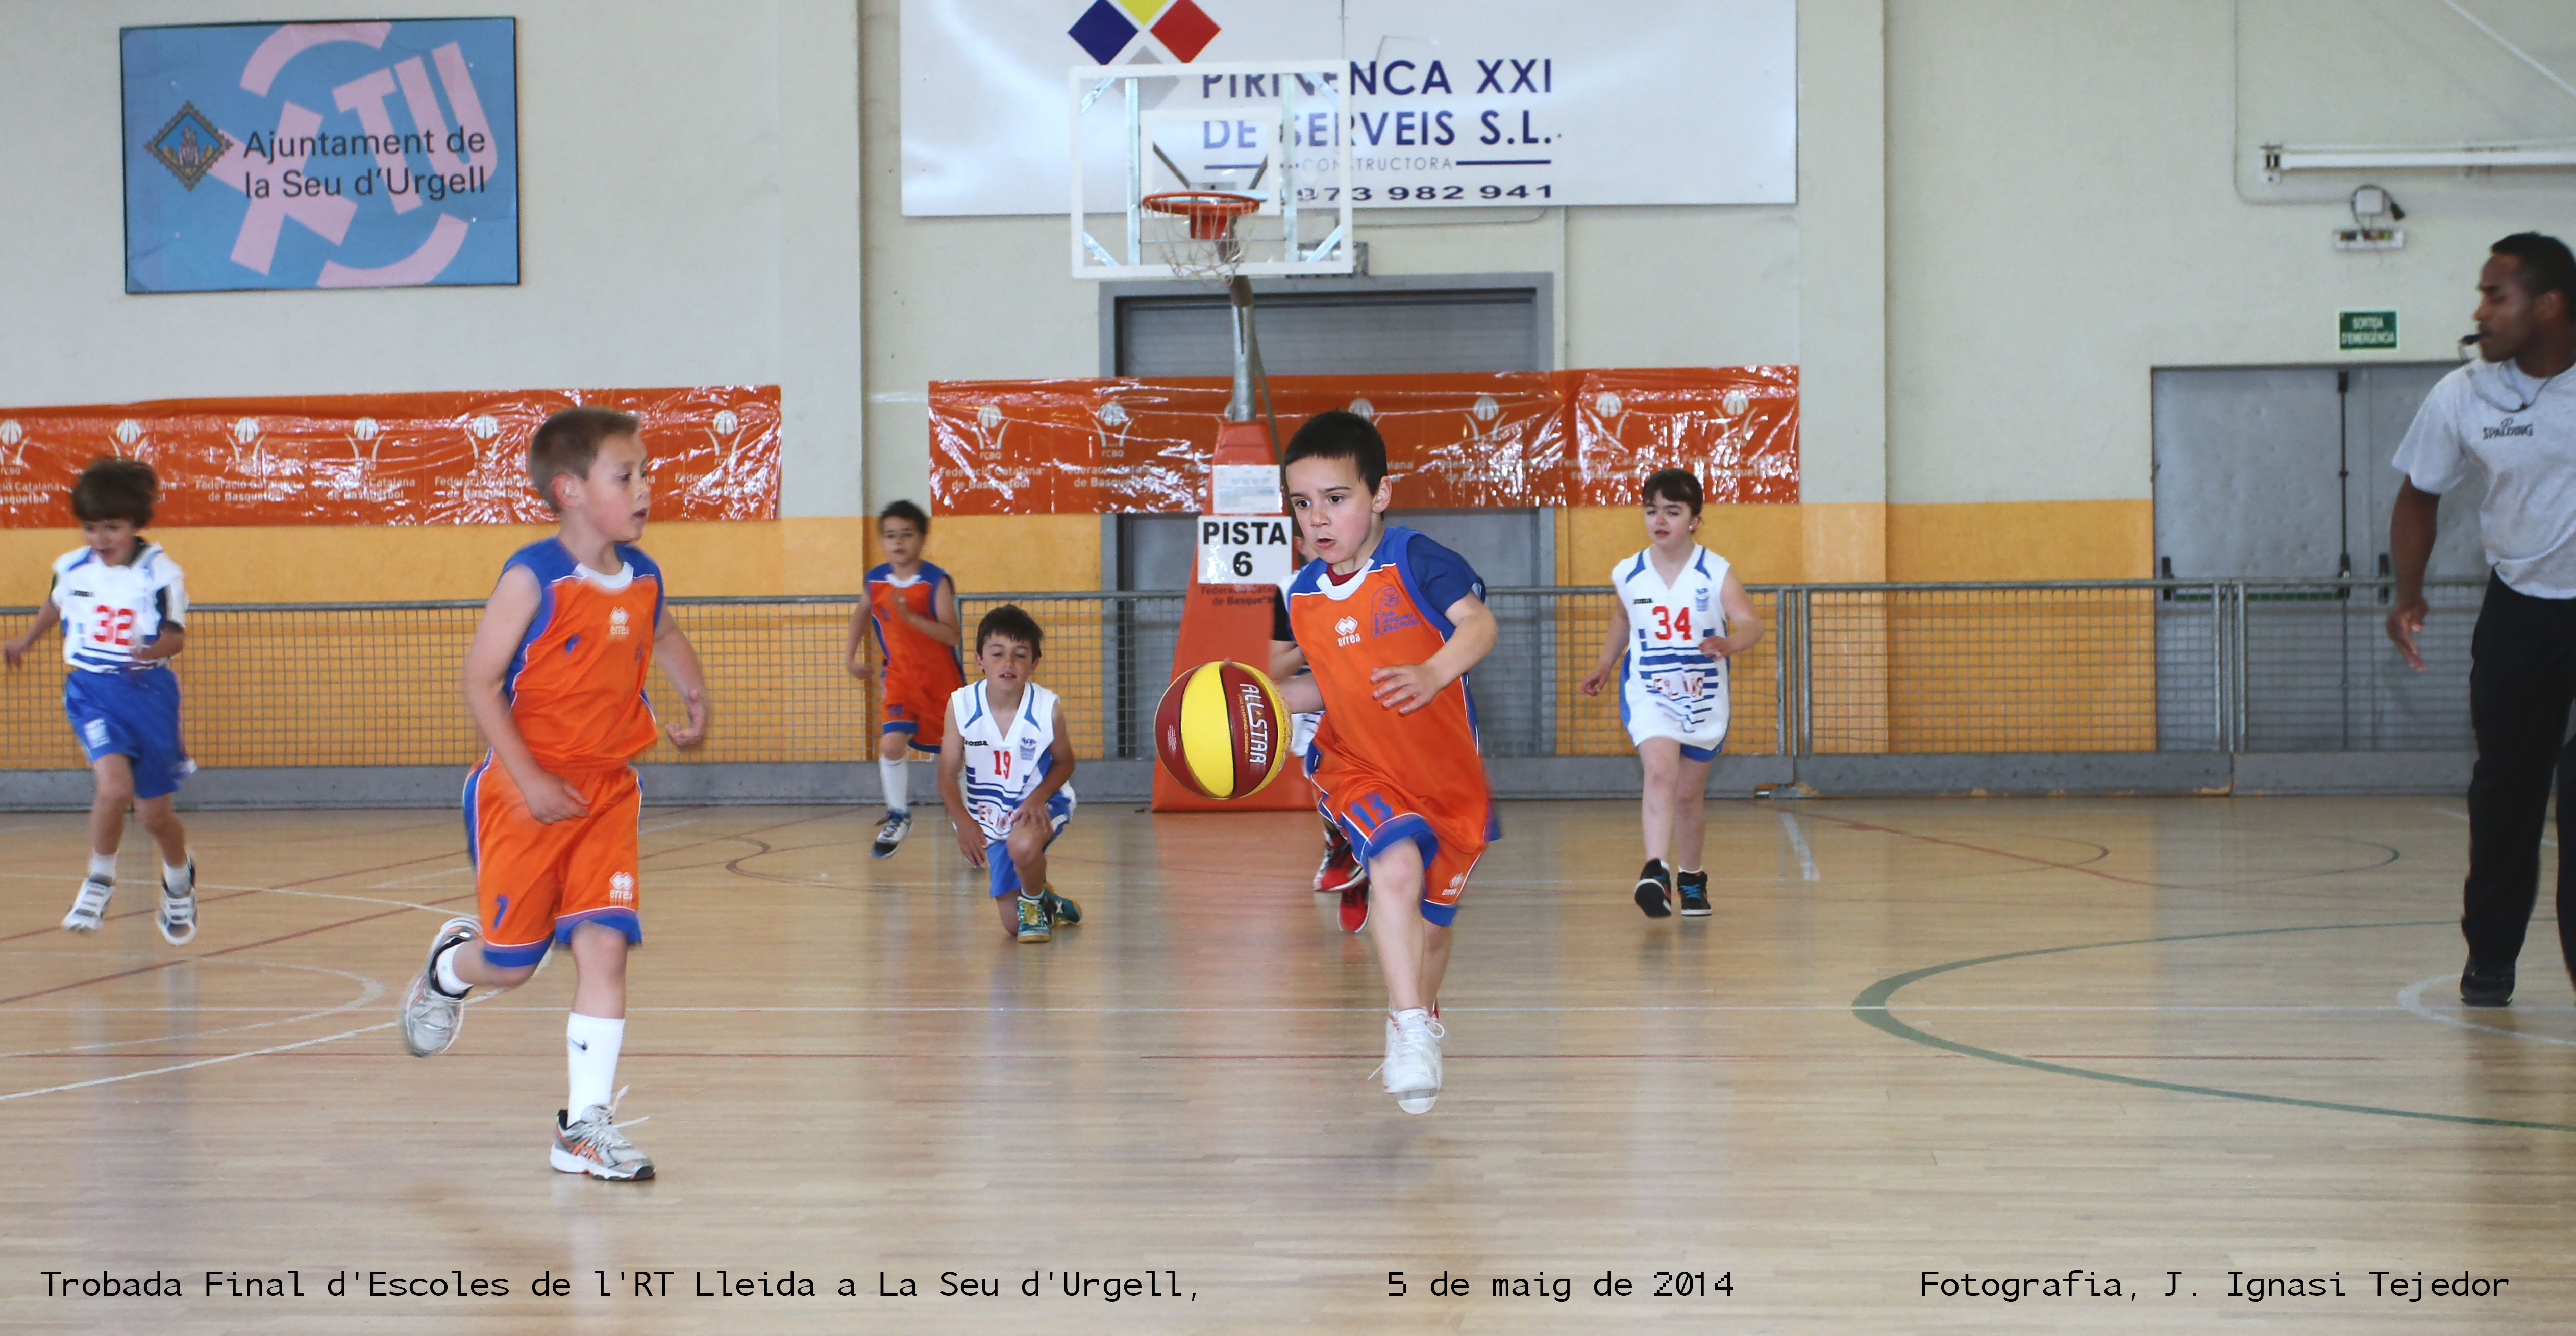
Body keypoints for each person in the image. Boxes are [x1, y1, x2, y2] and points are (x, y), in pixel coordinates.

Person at [396, 407, 711, 1181]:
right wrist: (532, 778)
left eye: (644, 471)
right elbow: (478, 680)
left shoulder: (643, 574)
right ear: (570, 490)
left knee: (605, 944)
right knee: (511, 964)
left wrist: (695, 695)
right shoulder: (533, 576)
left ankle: (585, 1125)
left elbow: (663, 630)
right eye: (626, 474)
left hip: (608, 788)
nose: (645, 487)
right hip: (523, 788)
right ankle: (448, 968)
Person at [1269, 410, 1499, 1115]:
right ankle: (1406, 1026)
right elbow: (1326, 685)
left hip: (1447, 779)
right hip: (1357, 762)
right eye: (1303, 503)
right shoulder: (1303, 593)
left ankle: (1419, 1014)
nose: (1318, 517)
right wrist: (1260, 704)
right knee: (1393, 866)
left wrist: (1431, 673)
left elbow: (1480, 625)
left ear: (1380, 493)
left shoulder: (1414, 557)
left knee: (1432, 928)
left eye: (1335, 498)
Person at [2389, 232, 2576, 1009]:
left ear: (2550, 304)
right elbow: (2418, 495)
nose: (2481, 310)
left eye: (2496, 294)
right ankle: (2490, 955)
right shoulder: (2465, 393)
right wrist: (2409, 592)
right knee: (2506, 789)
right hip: (2521, 612)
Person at [2, 458, 198, 944]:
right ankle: (99, 878)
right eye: (91, 527)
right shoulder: (71, 567)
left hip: (148, 692)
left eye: (112, 527)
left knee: (155, 816)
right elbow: (57, 602)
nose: (101, 537)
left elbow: (176, 637)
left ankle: (179, 878)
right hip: (91, 689)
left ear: (135, 525)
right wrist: (25, 640)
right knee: (112, 789)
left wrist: (147, 652)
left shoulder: (159, 573)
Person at [1578, 469, 1764, 918]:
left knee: (1686, 796)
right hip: (1649, 689)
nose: (1660, 520)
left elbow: (1752, 625)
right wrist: (1605, 663)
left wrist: (1730, 642)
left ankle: (1692, 877)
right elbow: (1623, 620)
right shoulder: (1629, 573)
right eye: (1652, 510)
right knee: (1659, 773)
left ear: (1695, 520)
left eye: (1673, 512)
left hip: (1703, 695)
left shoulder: (1714, 572)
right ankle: (1656, 869)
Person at [934, 605, 1083, 942]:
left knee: (1023, 844)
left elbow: (1065, 762)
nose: (1008, 663)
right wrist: (964, 823)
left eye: (1020, 655)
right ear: (979, 659)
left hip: (1041, 803)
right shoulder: (961, 705)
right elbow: (946, 773)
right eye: (998, 653)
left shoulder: (1047, 709)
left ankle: (1032, 903)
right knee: (1011, 926)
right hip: (989, 816)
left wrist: (1038, 798)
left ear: (1034, 664)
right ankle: (1046, 900)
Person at [848, 500, 963, 859]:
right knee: (891, 745)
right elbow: (860, 615)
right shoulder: (876, 580)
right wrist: (849, 657)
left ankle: (968, 823)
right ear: (883, 540)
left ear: (922, 538)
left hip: (941, 683)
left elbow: (952, 635)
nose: (898, 542)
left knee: (954, 759)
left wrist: (911, 618)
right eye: (890, 535)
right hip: (899, 678)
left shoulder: (934, 581)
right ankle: (899, 814)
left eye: (907, 535)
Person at [1269, 538, 1368, 923]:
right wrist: (1312, 646)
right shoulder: (1289, 589)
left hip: (1371, 692)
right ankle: (1343, 846)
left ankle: (1361, 851)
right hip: (1314, 699)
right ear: (1300, 544)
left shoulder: (1377, 575)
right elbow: (1276, 670)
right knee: (1323, 773)